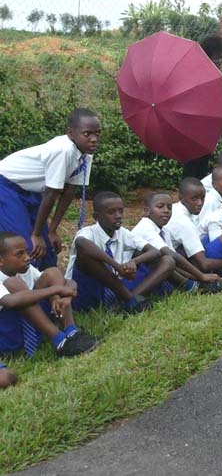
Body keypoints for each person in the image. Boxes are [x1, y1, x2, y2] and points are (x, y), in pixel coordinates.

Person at [0, 108, 100, 269]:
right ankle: (19, 289)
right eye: (87, 134)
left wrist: (51, 230)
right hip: (6, 186)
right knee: (26, 245)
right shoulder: (63, 150)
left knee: (47, 251)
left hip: (31, 191)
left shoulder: (86, 154)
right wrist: (37, 234)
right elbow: (51, 194)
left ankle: (50, 287)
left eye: (97, 134)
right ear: (70, 133)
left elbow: (69, 192)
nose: (94, 139)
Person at [65, 192, 174, 312]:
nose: (118, 216)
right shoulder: (88, 232)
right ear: (96, 216)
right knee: (86, 256)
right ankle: (130, 300)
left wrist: (133, 261)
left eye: (121, 211)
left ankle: (125, 303)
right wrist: (116, 266)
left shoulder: (123, 233)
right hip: (88, 289)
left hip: (117, 286)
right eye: (111, 212)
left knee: (166, 260)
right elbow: (81, 243)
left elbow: (154, 252)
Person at [0, 231, 99, 358]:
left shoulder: (25, 269)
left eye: (26, 251)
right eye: (20, 254)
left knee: (53, 272)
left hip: (32, 324)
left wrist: (65, 296)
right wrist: (56, 290)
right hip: (10, 336)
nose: (27, 257)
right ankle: (60, 342)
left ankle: (71, 333)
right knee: (15, 285)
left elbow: (68, 283)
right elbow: (10, 301)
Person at [166, 177, 222, 293]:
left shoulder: (177, 209)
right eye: (194, 199)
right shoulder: (184, 222)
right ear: (181, 198)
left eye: (202, 198)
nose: (200, 203)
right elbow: (204, 263)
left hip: (181, 260)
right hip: (179, 265)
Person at [131, 192, 222, 294]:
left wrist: (196, 278)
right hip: (133, 275)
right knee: (167, 260)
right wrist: (201, 276)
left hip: (151, 271)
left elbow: (175, 262)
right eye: (160, 207)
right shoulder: (145, 227)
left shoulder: (164, 230)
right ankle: (194, 287)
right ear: (147, 211)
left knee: (174, 257)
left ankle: (194, 286)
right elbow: (170, 255)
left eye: (169, 208)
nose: (166, 211)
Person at [182, 35, 222, 179]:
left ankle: (196, 195)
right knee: (192, 168)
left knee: (202, 167)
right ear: (207, 56)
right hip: (193, 130)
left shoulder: (216, 75)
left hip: (208, 132)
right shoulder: (196, 75)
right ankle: (188, 195)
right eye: (218, 57)